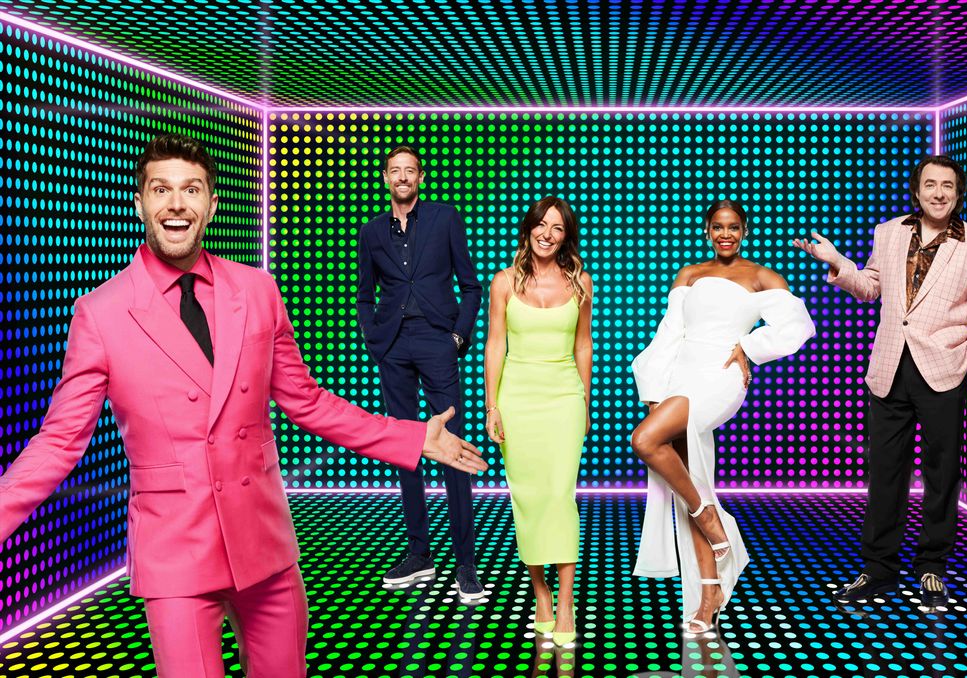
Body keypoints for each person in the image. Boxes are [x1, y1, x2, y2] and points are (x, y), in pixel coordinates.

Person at [0, 134, 487, 678]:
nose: (176, 203)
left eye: (191, 189)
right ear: (141, 204)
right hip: (177, 554)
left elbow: (306, 401)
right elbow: (59, 442)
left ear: (212, 204)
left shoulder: (257, 289)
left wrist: (409, 435)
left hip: (266, 549)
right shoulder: (102, 313)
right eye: (161, 189)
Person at [793, 155, 967, 608]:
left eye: (948, 185)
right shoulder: (888, 233)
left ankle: (932, 566)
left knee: (941, 474)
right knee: (886, 472)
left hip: (943, 370)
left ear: (958, 192)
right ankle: (879, 568)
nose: (939, 193)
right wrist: (837, 262)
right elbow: (871, 287)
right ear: (918, 190)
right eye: (931, 184)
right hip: (888, 367)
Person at [631, 200, 816, 633]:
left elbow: (798, 325)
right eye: (718, 227)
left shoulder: (760, 277)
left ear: (745, 230)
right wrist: (656, 388)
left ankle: (715, 525)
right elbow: (669, 333)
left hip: (721, 376)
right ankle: (708, 594)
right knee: (688, 480)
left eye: (733, 227)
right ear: (708, 230)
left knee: (644, 441)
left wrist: (750, 349)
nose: (725, 234)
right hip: (680, 373)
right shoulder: (690, 275)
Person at [355, 145, 486, 600]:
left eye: (410, 171)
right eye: (395, 171)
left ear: (421, 178)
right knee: (406, 448)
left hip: (437, 342)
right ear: (386, 178)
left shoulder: (445, 218)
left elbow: (471, 286)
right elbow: (364, 295)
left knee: (452, 449)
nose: (403, 177)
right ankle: (419, 553)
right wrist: (376, 341)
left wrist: (456, 338)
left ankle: (465, 563)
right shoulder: (371, 232)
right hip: (393, 346)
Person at [483, 196, 593, 647]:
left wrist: (584, 401)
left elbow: (582, 345)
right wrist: (493, 406)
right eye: (541, 225)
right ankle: (541, 594)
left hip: (564, 397)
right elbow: (495, 346)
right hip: (518, 399)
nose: (547, 233)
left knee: (559, 495)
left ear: (567, 237)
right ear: (528, 228)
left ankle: (565, 600)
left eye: (558, 228)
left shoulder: (580, 281)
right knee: (527, 499)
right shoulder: (503, 282)